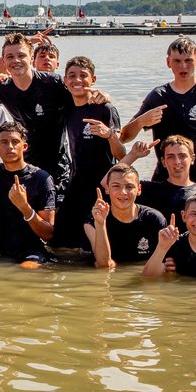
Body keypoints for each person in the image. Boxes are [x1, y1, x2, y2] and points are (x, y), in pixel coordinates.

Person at [120, 36, 196, 196]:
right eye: (177, 61)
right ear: (168, 62)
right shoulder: (158, 96)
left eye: (188, 60)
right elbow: (125, 136)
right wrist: (142, 121)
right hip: (165, 180)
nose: (183, 66)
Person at [0, 33, 76, 186]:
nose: (16, 60)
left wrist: (99, 94)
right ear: (4, 61)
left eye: (21, 55)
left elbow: (80, 97)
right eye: (10, 57)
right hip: (25, 168)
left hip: (58, 169)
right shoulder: (3, 88)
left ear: (31, 58)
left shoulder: (52, 83)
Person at [54, 56, 125, 248]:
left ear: (93, 80)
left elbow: (121, 154)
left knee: (94, 240)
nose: (77, 80)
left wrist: (109, 134)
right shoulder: (67, 107)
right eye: (72, 76)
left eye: (83, 76)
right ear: (65, 80)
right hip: (76, 181)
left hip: (101, 183)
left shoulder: (105, 110)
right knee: (61, 240)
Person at [0, 121, 57, 267]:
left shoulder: (41, 178)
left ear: (24, 147)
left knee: (26, 269)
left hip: (31, 249)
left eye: (15, 142)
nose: (10, 147)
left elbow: (48, 233)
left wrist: (24, 207)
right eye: (4, 142)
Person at [83, 163, 167, 268]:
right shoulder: (93, 220)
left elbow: (162, 262)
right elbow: (103, 264)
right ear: (107, 189)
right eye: (116, 186)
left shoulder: (154, 219)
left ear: (139, 189)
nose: (123, 192)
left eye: (129, 186)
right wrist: (101, 223)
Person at [125, 134, 196, 223]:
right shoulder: (149, 190)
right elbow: (106, 184)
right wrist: (133, 155)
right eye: (170, 157)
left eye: (182, 156)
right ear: (163, 162)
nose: (177, 162)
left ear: (192, 159)